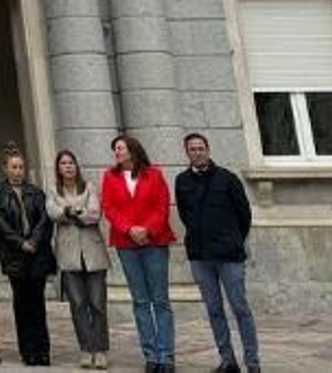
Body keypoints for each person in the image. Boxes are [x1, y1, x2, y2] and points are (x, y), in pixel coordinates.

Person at [176, 133, 259, 373]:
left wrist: (233, 239)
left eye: (201, 148)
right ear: (187, 153)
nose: (197, 152)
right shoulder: (182, 181)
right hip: (200, 256)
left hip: (229, 255)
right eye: (192, 149)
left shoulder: (228, 178)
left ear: (208, 150)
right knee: (214, 309)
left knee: (240, 307)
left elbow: (244, 215)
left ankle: (252, 362)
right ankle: (228, 360)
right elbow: (184, 215)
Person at [101, 135, 176, 373]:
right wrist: (129, 229)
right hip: (126, 243)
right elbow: (109, 207)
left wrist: (148, 229)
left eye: (120, 148)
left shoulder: (154, 174)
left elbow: (162, 205)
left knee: (160, 300)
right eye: (115, 149)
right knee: (140, 301)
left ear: (133, 150)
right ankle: (151, 355)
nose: (117, 152)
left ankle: (167, 355)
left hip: (154, 242)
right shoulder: (110, 176)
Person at [0, 144, 54, 367]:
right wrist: (20, 242)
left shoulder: (36, 192)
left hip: (37, 255)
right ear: (5, 169)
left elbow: (44, 220)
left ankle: (43, 349)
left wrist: (34, 241)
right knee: (22, 304)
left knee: (38, 304)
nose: (18, 171)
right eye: (14, 167)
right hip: (16, 256)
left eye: (21, 167)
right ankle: (27, 351)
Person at [48, 149, 110, 370]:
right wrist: (74, 210)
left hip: (93, 255)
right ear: (58, 168)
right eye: (63, 163)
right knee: (78, 305)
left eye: (71, 162)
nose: (68, 166)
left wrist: (70, 212)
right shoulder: (53, 189)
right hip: (68, 256)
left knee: (98, 304)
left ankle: (101, 349)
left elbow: (94, 214)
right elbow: (52, 212)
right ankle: (86, 349)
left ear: (77, 166)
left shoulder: (90, 187)